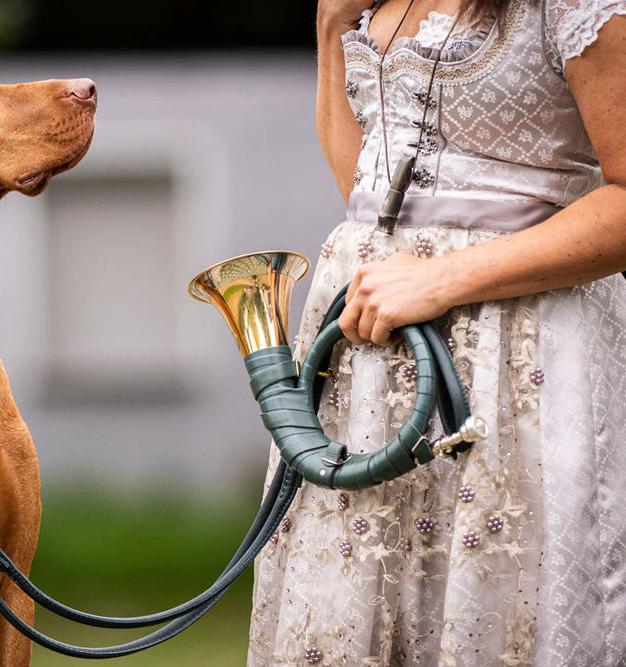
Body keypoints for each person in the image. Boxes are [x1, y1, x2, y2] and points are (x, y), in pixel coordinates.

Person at [247, 0, 626, 664]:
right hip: (365, 365)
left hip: (516, 364)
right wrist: (333, 25)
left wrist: (444, 278)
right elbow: (366, 191)